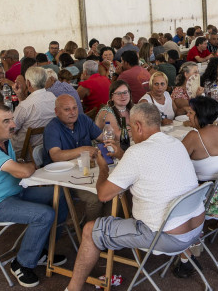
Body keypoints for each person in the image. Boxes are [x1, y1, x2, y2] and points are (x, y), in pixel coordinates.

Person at [67, 104, 206, 291]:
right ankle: (185, 259)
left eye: (131, 128)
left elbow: (103, 194)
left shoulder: (137, 152)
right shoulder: (176, 143)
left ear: (139, 126)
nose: (131, 133)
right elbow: (149, 166)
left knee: (90, 230)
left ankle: (71, 289)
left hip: (166, 236)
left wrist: (103, 167)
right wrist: (123, 155)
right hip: (196, 228)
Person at [0, 103, 67, 287]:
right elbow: (23, 171)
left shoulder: (4, 140)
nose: (13, 125)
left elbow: (19, 167)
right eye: (6, 121)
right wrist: (30, 166)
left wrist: (24, 167)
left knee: (61, 195)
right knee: (44, 214)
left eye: (12, 119)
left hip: (13, 192)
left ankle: (41, 250)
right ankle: (21, 263)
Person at [174, 96, 218, 278]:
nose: (187, 115)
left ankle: (186, 260)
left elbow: (174, 164)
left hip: (211, 202)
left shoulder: (194, 137)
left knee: (175, 200)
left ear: (200, 115)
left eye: (190, 113)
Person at [44, 95, 105, 219]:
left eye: (75, 108)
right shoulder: (52, 127)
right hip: (64, 179)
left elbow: (103, 138)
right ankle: (90, 232)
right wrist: (82, 150)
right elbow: (55, 155)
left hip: (87, 173)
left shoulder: (83, 119)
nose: (72, 113)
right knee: (98, 196)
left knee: (114, 189)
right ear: (57, 112)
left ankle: (103, 225)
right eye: (67, 109)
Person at [11, 66, 57, 153]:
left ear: (28, 83)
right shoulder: (53, 97)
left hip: (25, 152)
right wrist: (20, 96)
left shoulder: (25, 106)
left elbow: (11, 128)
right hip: (48, 146)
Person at [94, 80, 133, 151]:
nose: (123, 96)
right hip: (106, 151)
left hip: (126, 147)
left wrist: (126, 130)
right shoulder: (107, 112)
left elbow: (144, 128)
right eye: (118, 93)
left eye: (125, 92)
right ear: (112, 97)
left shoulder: (132, 109)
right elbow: (118, 136)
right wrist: (134, 129)